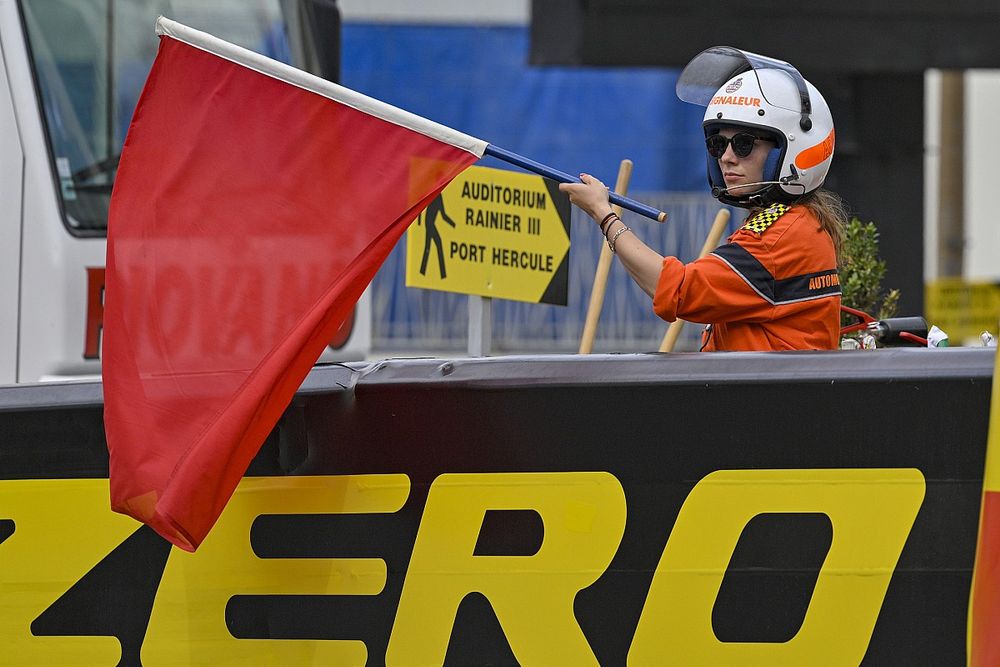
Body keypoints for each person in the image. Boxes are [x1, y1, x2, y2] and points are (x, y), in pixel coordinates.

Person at [560, 46, 848, 351]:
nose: (726, 157)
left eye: (744, 144)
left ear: (791, 148)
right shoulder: (794, 224)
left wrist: (605, 216)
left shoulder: (779, 238)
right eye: (717, 144)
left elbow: (678, 290)